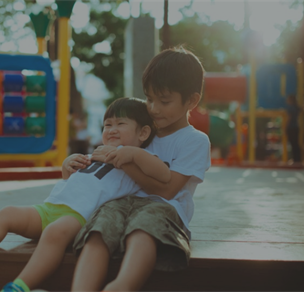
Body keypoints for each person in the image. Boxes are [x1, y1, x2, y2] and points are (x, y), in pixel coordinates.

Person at [0, 97, 170, 292]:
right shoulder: (97, 152)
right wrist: (68, 165)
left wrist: (132, 154)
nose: (111, 129)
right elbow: (78, 180)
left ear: (143, 133)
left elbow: (162, 173)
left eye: (120, 123)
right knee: (8, 213)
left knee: (54, 233)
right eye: (107, 124)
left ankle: (20, 286)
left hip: (81, 218)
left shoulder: (140, 159)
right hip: (51, 207)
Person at [69, 46, 211, 292]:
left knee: (143, 228)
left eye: (164, 101)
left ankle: (121, 286)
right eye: (149, 99)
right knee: (100, 227)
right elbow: (109, 154)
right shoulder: (144, 131)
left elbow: (168, 191)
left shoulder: (194, 140)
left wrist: (124, 160)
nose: (153, 108)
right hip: (123, 201)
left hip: (165, 208)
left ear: (192, 100)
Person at [286, 94, 302, 163]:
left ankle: (295, 159)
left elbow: (289, 117)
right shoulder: (296, 107)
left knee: (293, 144)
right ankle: (298, 159)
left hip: (291, 127)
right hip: (296, 127)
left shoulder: (290, 108)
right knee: (296, 144)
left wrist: (285, 126)